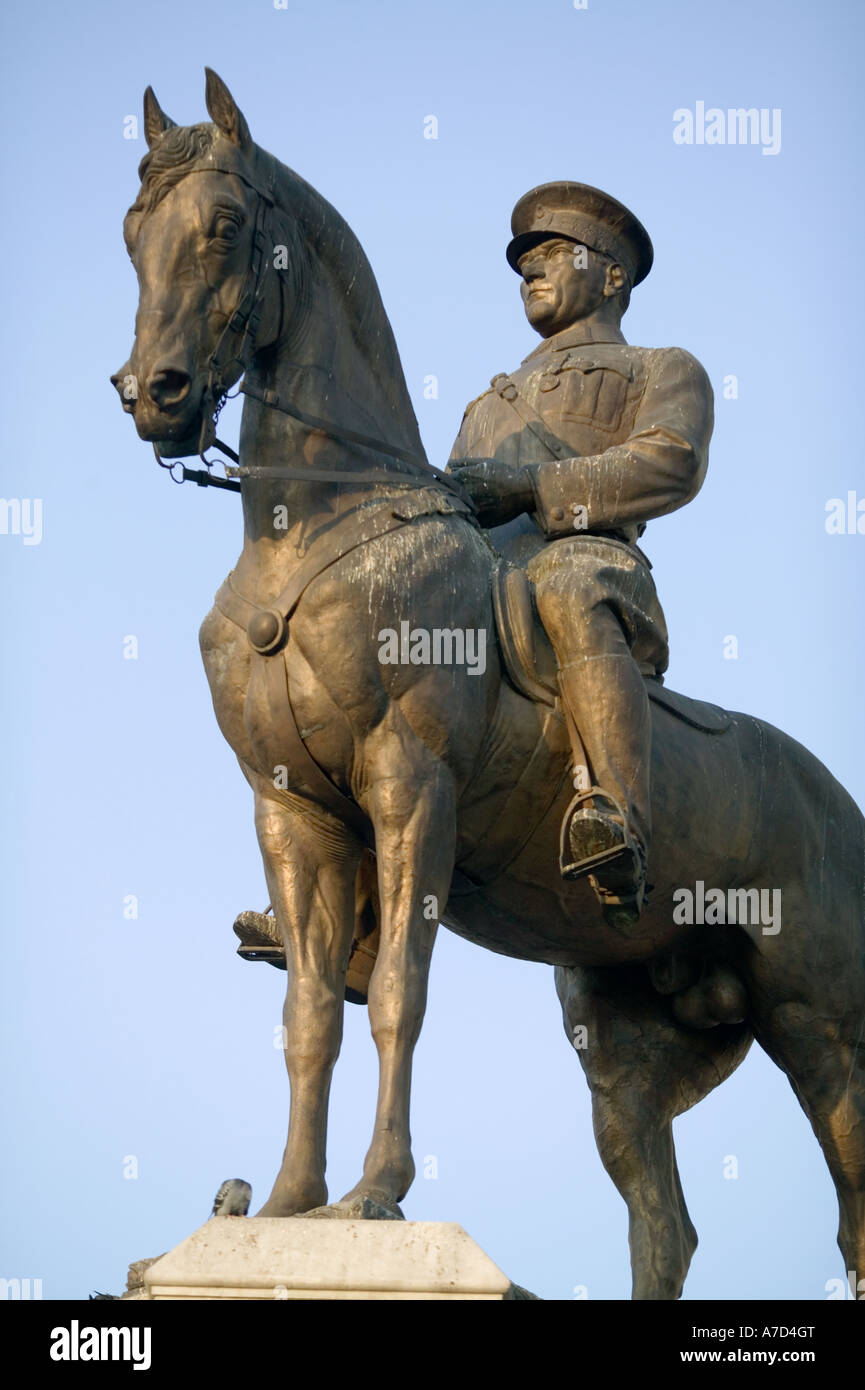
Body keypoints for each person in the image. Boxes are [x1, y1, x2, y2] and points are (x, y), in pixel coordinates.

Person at [448, 182, 713, 928]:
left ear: (611, 275)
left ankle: (617, 818)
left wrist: (534, 486)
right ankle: (356, 911)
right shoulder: (485, 407)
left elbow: (669, 462)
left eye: (550, 255)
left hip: (593, 568)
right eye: (522, 263)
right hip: (489, 588)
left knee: (565, 585)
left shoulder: (660, 367)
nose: (529, 272)